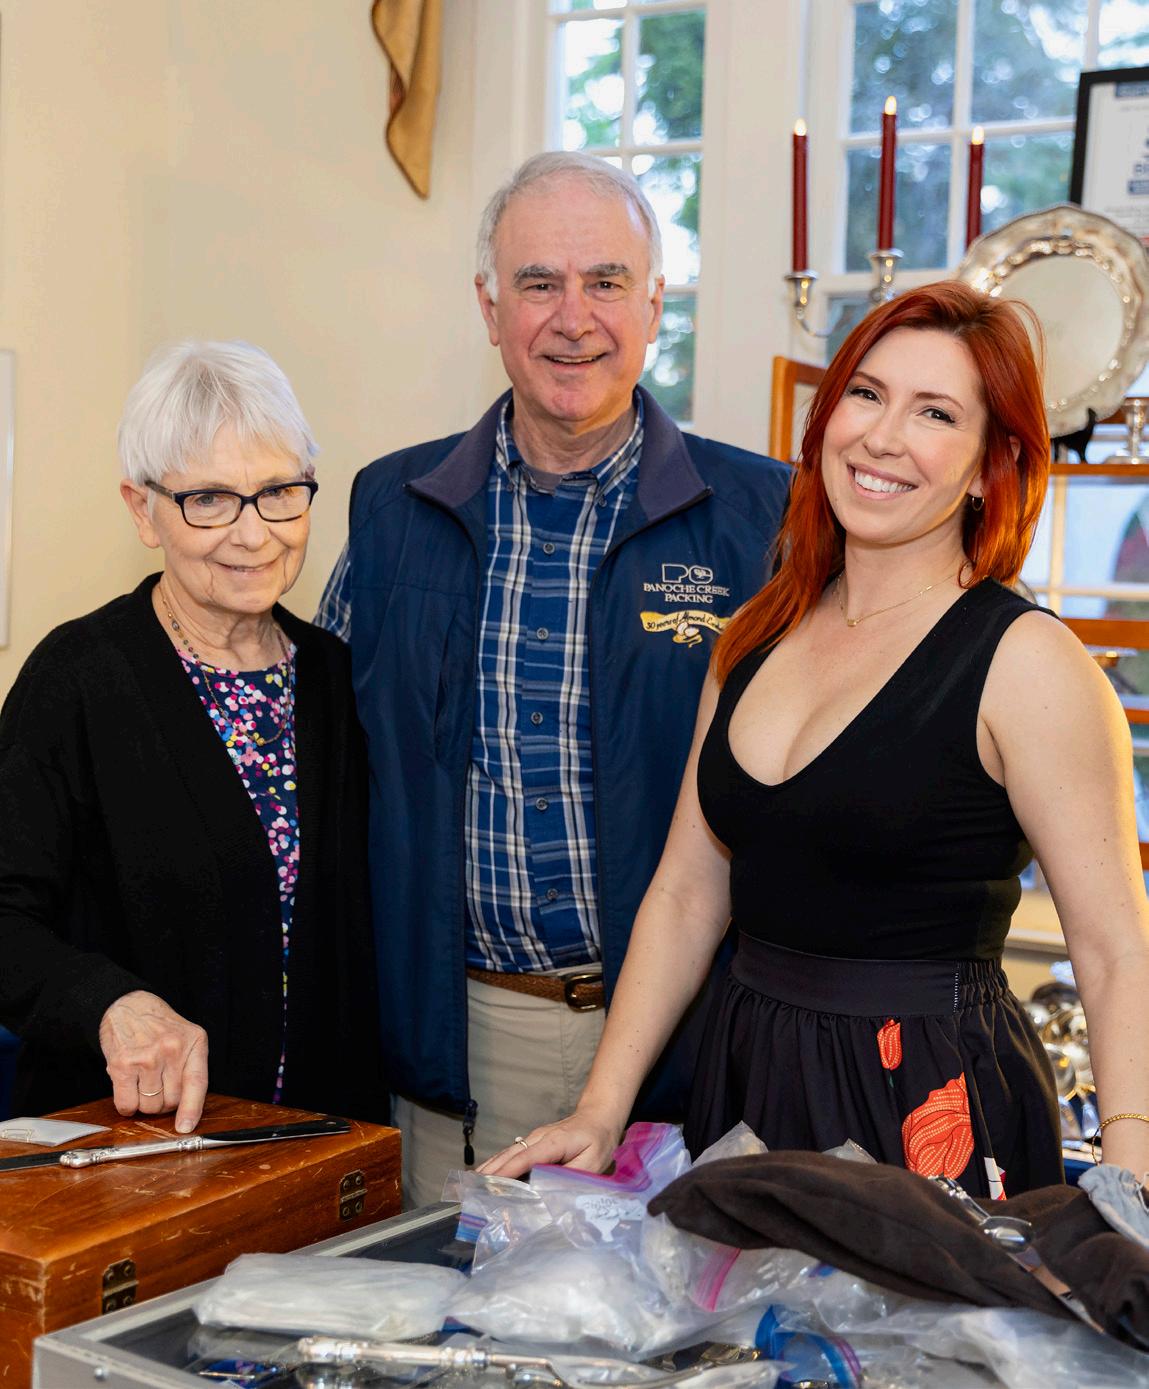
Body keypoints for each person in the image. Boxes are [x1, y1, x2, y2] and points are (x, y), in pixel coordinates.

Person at [481, 281, 1149, 1197]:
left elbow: (1114, 950)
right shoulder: (755, 634)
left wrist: (1128, 1173)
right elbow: (686, 894)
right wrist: (600, 1108)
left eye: (935, 413)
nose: (881, 436)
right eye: (865, 394)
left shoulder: (1026, 662)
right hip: (745, 1082)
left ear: (987, 466)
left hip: (926, 1106)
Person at [317, 151, 790, 1206]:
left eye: (605, 281)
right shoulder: (392, 510)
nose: (573, 318)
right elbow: (325, 764)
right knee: (442, 1310)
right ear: (490, 308)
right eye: (538, 283)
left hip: (692, 1054)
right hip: (456, 1053)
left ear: (654, 305)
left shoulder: (766, 521)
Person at [0, 341, 383, 1131]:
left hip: (310, 1143)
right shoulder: (77, 677)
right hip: (124, 1146)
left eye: (278, 492)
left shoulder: (338, 677)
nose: (253, 534)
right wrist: (107, 1002)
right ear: (143, 509)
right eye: (209, 499)